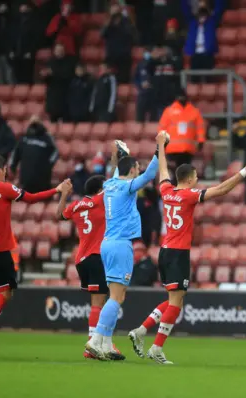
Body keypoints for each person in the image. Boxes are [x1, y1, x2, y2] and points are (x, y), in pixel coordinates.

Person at [128, 133, 246, 364]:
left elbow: (164, 171)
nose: (198, 178)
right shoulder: (189, 196)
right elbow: (221, 190)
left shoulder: (166, 191)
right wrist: (245, 171)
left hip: (165, 250)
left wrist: (160, 145)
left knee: (172, 300)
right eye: (196, 175)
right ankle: (156, 348)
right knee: (176, 304)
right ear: (189, 179)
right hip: (178, 253)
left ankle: (141, 330)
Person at [0, 154, 69, 358]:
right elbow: (30, 198)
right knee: (4, 293)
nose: (6, 173)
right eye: (5, 170)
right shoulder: (3, 188)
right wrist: (57, 190)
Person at [84, 139, 160, 361]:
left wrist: (120, 155)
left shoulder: (109, 184)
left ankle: (106, 344)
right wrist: (159, 150)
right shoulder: (127, 186)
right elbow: (149, 176)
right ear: (133, 170)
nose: (139, 171)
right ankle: (95, 340)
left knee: (117, 295)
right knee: (116, 297)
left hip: (108, 243)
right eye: (137, 168)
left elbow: (119, 170)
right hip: (120, 244)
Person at [56, 175, 123, 360]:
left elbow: (59, 215)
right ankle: (93, 344)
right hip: (96, 256)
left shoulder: (76, 205)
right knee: (99, 303)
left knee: (99, 302)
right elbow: (115, 185)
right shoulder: (100, 200)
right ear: (101, 189)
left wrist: (64, 195)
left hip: (81, 259)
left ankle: (100, 342)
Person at [10, 116, 59, 193]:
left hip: (43, 182)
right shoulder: (24, 139)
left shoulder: (47, 138)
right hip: (26, 181)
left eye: (36, 122)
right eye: (32, 123)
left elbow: (55, 152)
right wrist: (13, 166)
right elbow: (15, 154)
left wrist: (47, 166)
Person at [158, 93, 205, 174]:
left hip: (187, 149)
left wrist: (201, 141)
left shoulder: (194, 111)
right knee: (177, 173)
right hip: (173, 150)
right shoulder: (169, 111)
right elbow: (162, 129)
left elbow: (200, 128)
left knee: (183, 173)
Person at [182, 0, 224, 77]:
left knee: (209, 80)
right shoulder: (192, 22)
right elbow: (185, 9)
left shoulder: (212, 22)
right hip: (195, 55)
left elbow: (219, 8)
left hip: (208, 54)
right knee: (195, 80)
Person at [42, 43, 77, 122]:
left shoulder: (69, 62)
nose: (59, 52)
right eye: (57, 50)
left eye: (61, 50)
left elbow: (68, 76)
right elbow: (47, 81)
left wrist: (53, 73)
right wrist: (46, 75)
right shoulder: (50, 62)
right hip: (53, 97)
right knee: (53, 121)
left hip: (64, 96)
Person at [101, 2, 134, 83]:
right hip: (111, 55)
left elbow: (130, 34)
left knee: (123, 80)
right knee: (106, 79)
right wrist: (109, 21)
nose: (114, 9)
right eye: (112, 7)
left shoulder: (126, 20)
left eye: (116, 7)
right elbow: (102, 34)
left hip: (124, 55)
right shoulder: (108, 21)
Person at [9, 1, 39, 84]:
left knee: (27, 77)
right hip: (16, 53)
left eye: (25, 6)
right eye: (21, 6)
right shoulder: (15, 21)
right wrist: (11, 50)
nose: (23, 8)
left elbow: (35, 39)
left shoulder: (33, 21)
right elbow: (12, 36)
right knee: (17, 76)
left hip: (27, 53)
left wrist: (31, 51)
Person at [134, 47, 157, 122]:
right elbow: (135, 78)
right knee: (140, 116)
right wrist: (140, 85)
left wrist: (152, 84)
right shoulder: (140, 64)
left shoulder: (155, 64)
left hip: (153, 93)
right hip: (142, 93)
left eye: (149, 52)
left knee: (153, 116)